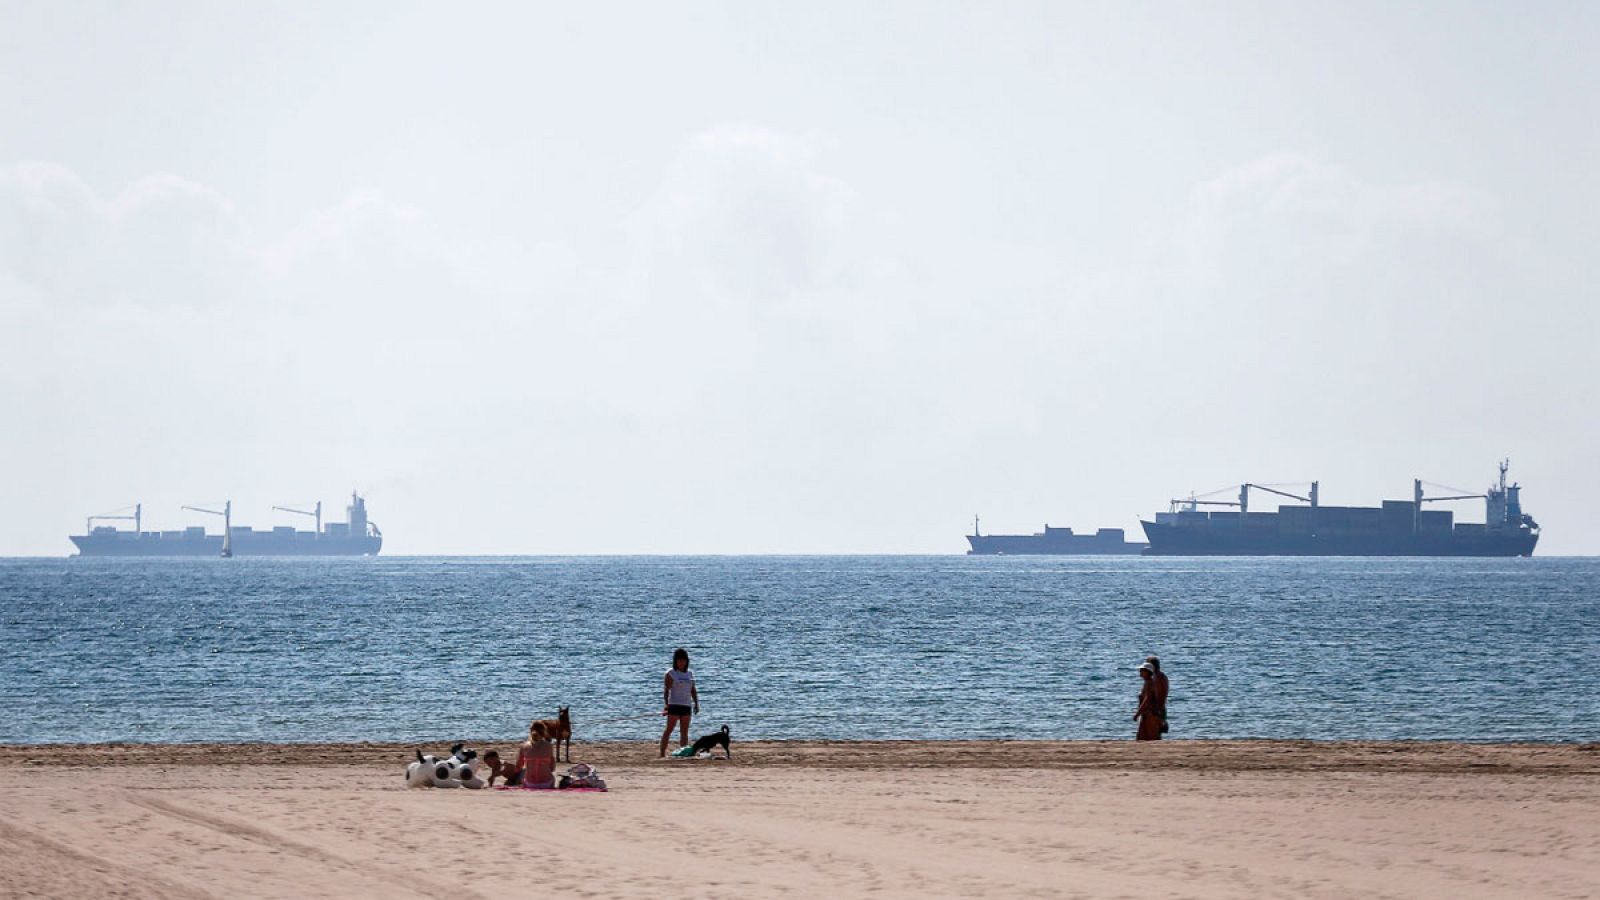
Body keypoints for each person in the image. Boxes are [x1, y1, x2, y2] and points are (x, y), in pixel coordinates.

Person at [658, 647, 700, 758]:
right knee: (669, 730)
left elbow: (693, 690)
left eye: (683, 660)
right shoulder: (671, 673)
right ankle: (662, 753)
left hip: (686, 705)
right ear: (675, 661)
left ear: (687, 661)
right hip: (674, 705)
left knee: (684, 732)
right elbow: (666, 691)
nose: (681, 662)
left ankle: (683, 753)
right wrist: (666, 705)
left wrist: (696, 703)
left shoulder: (690, 673)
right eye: (679, 660)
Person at [517, 721, 556, 788]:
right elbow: (552, 768)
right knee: (551, 776)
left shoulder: (524, 746)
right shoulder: (549, 746)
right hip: (546, 784)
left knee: (523, 771)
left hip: (529, 783)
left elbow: (518, 766)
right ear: (544, 733)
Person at [1134, 661, 1164, 741]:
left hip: (1150, 715)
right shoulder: (1149, 682)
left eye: (1142, 670)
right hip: (1148, 714)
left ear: (1147, 672)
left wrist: (1137, 714)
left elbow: (1147, 700)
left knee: (1149, 738)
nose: (1140, 672)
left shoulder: (1149, 684)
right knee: (1144, 738)